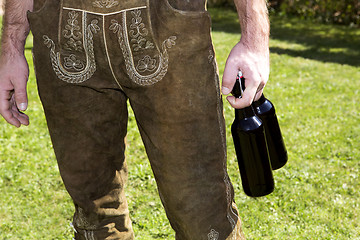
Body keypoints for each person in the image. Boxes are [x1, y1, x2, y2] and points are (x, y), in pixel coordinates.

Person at [0, 0, 269, 239]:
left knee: (202, 212)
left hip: (169, 24)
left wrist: (254, 38)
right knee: (95, 213)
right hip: (62, 30)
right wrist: (11, 48)